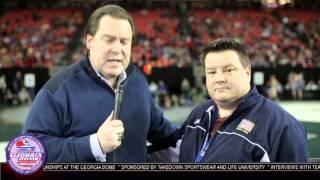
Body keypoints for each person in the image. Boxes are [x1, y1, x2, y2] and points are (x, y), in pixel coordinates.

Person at [23, 4, 178, 163]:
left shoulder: (138, 81)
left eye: (124, 41)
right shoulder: (58, 91)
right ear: (90, 41)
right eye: (109, 40)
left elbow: (164, 133)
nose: (117, 49)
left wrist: (199, 128)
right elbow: (29, 152)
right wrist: (94, 144)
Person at [179, 38, 308, 162]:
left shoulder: (283, 128)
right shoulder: (198, 114)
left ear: (247, 72)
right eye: (212, 72)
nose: (219, 79)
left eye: (228, 70)